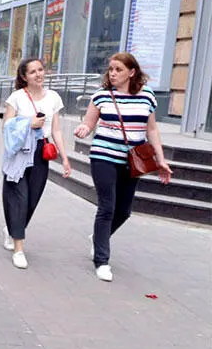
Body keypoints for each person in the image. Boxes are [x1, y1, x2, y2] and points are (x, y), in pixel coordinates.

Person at [73, 53, 172, 282]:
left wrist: (161, 159)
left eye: (118, 69)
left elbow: (152, 130)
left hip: (132, 159)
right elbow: (89, 123)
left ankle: (99, 237)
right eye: (111, 69)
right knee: (107, 207)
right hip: (103, 156)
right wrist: (83, 130)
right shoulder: (101, 96)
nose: (113, 73)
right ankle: (102, 261)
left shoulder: (146, 96)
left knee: (124, 211)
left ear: (132, 72)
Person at [0, 58, 73, 269]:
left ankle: (12, 228)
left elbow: (56, 129)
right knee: (19, 198)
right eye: (32, 72)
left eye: (40, 70)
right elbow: (6, 126)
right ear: (24, 77)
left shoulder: (53, 98)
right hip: (20, 152)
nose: (38, 74)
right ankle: (19, 249)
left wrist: (65, 157)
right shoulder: (17, 98)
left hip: (42, 151)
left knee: (32, 200)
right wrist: (27, 123)